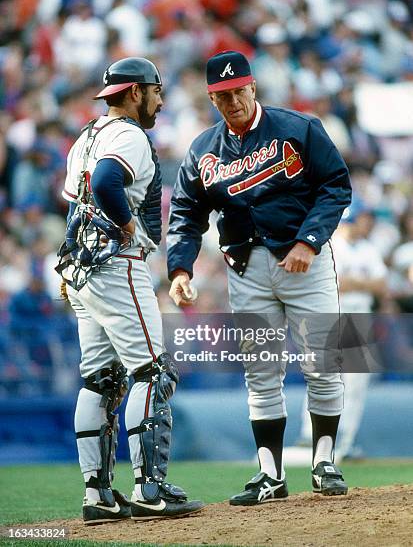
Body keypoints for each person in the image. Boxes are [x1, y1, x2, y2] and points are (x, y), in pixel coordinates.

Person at [167, 50, 352, 504]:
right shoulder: (204, 148)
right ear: (211, 100)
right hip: (246, 269)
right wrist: (180, 267)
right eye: (221, 96)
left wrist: (309, 240)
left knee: (323, 364)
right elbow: (187, 212)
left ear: (253, 87)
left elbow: (337, 186)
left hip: (304, 263)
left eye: (237, 92)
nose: (232, 102)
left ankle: (324, 461)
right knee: (261, 372)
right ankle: (270, 474)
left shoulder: (299, 128)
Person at [59, 57, 204, 524]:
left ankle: (97, 495)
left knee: (99, 378)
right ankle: (150, 488)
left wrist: (68, 267)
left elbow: (76, 202)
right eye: (156, 91)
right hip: (114, 263)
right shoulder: (129, 135)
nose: (160, 101)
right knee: (152, 370)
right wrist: (126, 225)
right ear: (136, 92)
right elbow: (105, 182)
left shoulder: (87, 135)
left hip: (82, 267)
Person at [297, 199, 387, 460]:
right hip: (332, 314)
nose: (367, 222)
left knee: (356, 382)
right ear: (351, 218)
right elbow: (341, 284)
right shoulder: (331, 244)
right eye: (363, 217)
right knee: (322, 375)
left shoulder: (368, 248)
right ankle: (308, 434)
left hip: (359, 315)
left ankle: (346, 439)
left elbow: (382, 286)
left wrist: (358, 283)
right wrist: (365, 283)